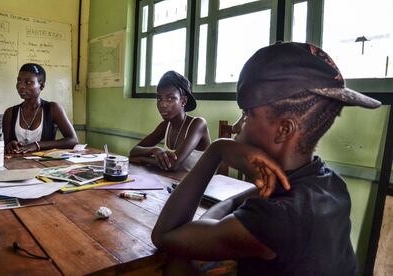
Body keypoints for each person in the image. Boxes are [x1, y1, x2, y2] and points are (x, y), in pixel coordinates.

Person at [151, 42, 381, 275]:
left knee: (177, 264)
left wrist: (217, 150)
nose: (239, 127)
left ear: (284, 130)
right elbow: (233, 204)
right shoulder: (328, 182)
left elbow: (165, 234)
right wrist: (208, 227)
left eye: (247, 115)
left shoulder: (278, 218)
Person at [129, 71, 210, 171]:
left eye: (170, 98)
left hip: (202, 185)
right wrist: (154, 150)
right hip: (174, 182)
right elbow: (134, 151)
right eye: (159, 99)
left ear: (183, 101)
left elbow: (172, 164)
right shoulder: (166, 126)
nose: (163, 104)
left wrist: (141, 158)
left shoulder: (198, 124)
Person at [3, 63, 78, 153]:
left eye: (28, 82)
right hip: (18, 164)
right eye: (19, 81)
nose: (21, 86)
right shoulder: (10, 113)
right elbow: (5, 145)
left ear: (41, 86)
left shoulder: (53, 109)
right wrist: (10, 145)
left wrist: (37, 145)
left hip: (45, 165)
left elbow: (73, 140)